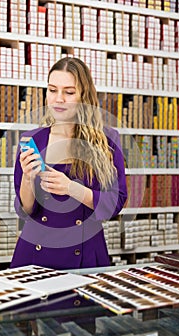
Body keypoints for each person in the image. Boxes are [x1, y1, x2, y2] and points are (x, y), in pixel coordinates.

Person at [10, 57, 127, 270]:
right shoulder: (32, 139)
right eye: (52, 90)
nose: (58, 99)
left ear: (84, 95)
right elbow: (25, 210)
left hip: (85, 253)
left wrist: (70, 188)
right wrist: (27, 178)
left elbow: (115, 203)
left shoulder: (107, 140)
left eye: (69, 92)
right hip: (35, 253)